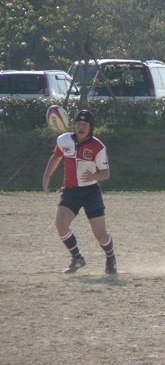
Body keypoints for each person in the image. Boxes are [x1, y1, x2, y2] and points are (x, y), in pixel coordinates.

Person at [42, 110, 117, 274]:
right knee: (61, 224)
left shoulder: (98, 147)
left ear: (91, 127)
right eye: (78, 124)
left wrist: (94, 176)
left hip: (91, 192)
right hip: (70, 191)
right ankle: (77, 258)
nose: (81, 127)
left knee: (100, 234)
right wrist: (47, 176)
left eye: (85, 125)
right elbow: (56, 157)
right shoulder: (64, 140)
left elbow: (106, 173)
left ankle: (111, 259)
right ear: (73, 125)